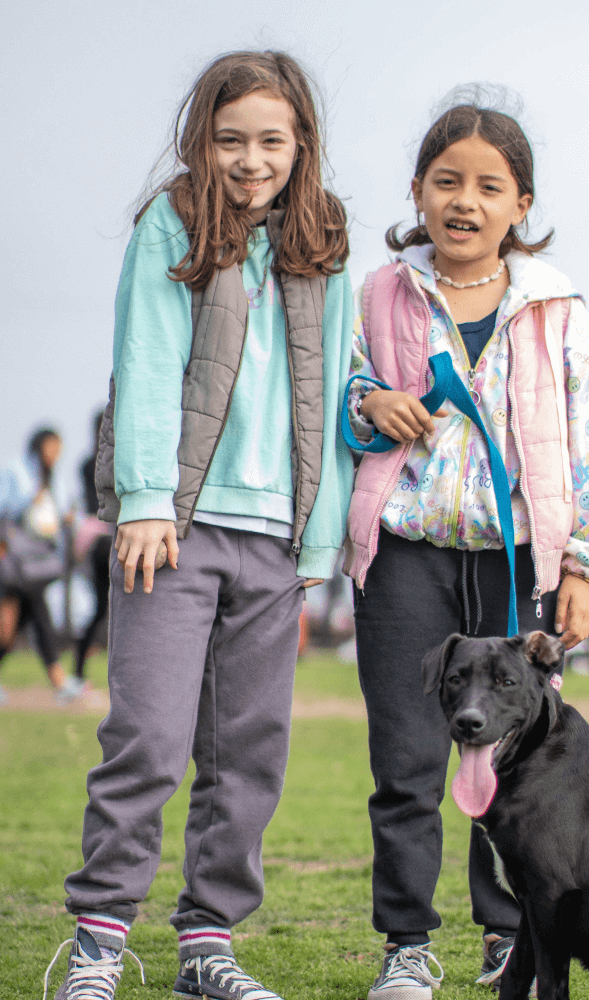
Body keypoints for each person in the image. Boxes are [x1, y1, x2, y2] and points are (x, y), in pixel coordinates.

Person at [44, 50, 354, 1000]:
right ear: (201, 141)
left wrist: (319, 541)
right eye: (230, 140)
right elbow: (143, 358)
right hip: (172, 530)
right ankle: (98, 945)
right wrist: (142, 499)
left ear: (302, 143)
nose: (251, 159)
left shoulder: (324, 238)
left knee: (249, 751)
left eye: (271, 140)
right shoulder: (172, 224)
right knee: (146, 735)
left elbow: (337, 377)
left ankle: (207, 947)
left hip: (276, 540)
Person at [342, 96, 589, 1000]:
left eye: (488, 187)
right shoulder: (382, 291)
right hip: (406, 557)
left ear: (520, 205)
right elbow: (339, 385)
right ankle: (406, 946)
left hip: (519, 565)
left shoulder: (558, 307)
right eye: (446, 181)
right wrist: (367, 402)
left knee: (512, 759)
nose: (465, 201)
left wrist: (584, 565)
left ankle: (507, 936)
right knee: (407, 758)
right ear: (418, 192)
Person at [0, 427, 82, 703]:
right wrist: (29, 501)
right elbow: (5, 510)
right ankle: (58, 679)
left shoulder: (55, 478)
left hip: (36, 562)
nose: (56, 454)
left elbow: (55, 517)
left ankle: (59, 680)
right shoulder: (17, 471)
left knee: (15, 624)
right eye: (52, 447)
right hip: (14, 560)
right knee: (24, 620)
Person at [72, 411, 114, 683]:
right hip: (108, 538)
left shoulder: (87, 462)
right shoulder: (108, 460)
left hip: (92, 540)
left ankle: (77, 671)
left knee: (100, 608)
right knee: (115, 607)